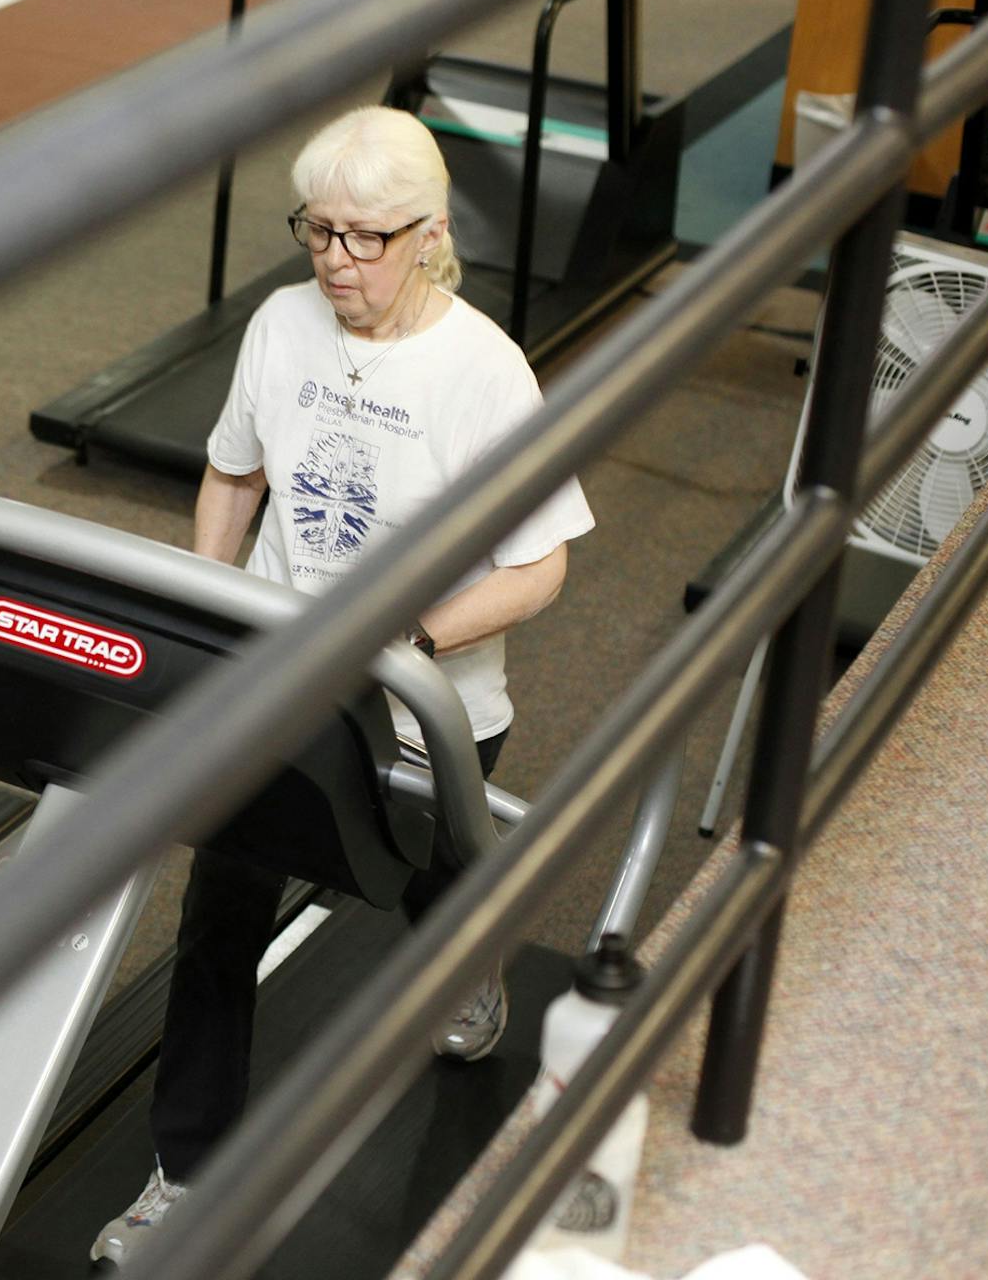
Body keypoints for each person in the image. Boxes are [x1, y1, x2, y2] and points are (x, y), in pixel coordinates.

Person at [91, 105, 596, 1266]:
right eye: (317, 231)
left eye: (366, 238)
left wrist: (404, 637)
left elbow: (540, 566)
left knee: (430, 891)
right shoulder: (280, 326)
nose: (335, 260)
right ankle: (188, 1174)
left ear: (429, 235)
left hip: (430, 717)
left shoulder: (484, 373)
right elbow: (233, 474)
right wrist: (199, 613)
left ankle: (465, 969)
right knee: (220, 912)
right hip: (279, 693)